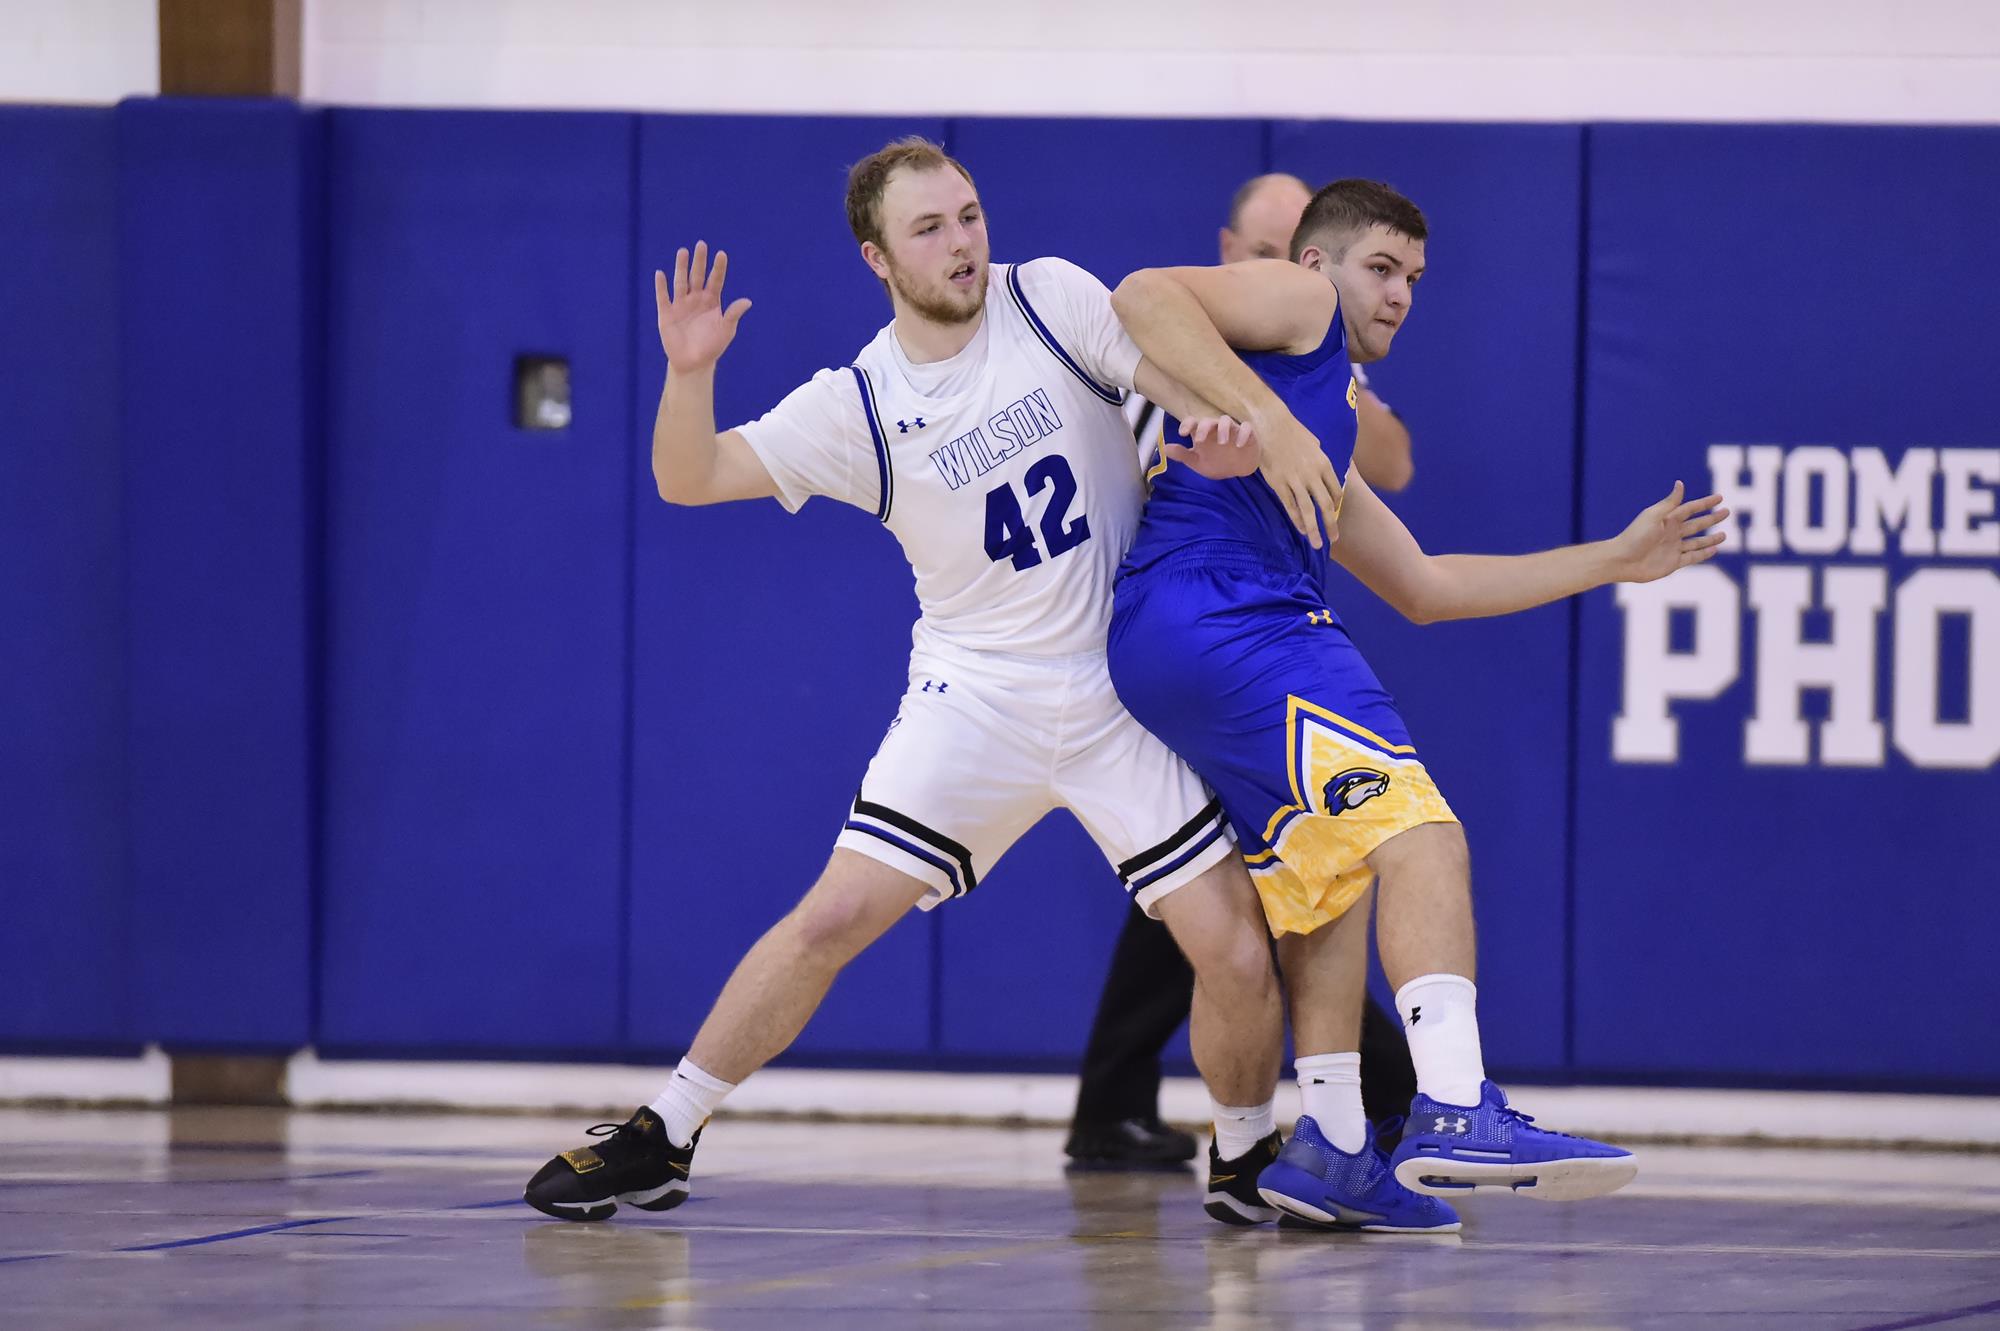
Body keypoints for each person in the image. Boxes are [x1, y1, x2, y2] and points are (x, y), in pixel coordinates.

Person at [522, 138, 1296, 1226]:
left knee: (1234, 948)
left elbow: (1179, 386)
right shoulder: (860, 402)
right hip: (977, 694)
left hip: (1117, 686)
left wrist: (1224, 428)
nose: (962, 243)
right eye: (929, 229)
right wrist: (689, 373)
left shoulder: (1051, 298)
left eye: (968, 215)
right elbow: (686, 478)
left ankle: (1245, 1154)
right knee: (831, 914)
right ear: (876, 258)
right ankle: (664, 1132)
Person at [1106, 179, 1727, 1230]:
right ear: (1316, 265)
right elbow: (1138, 292)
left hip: (1180, 631)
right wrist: (1269, 420)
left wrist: (1612, 560)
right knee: (1421, 833)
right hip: (1228, 616)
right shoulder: (1300, 309)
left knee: (1335, 875)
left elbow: (1427, 587)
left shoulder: (1320, 424)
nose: (1398, 294)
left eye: (1415, 278)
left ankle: (1335, 1142)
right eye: (1381, 268)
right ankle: (1452, 1103)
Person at [1067, 173, 1420, 1171]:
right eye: (1265, 257)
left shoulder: (1309, 347)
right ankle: (1366, 1104)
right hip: (1173, 623)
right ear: (1231, 253)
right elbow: (1143, 307)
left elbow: (1391, 470)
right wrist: (1267, 410)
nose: (1287, 279)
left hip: (1232, 627)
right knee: (1249, 875)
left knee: (1225, 880)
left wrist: (1323, 386)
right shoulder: (1167, 351)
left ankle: (1267, 1126)